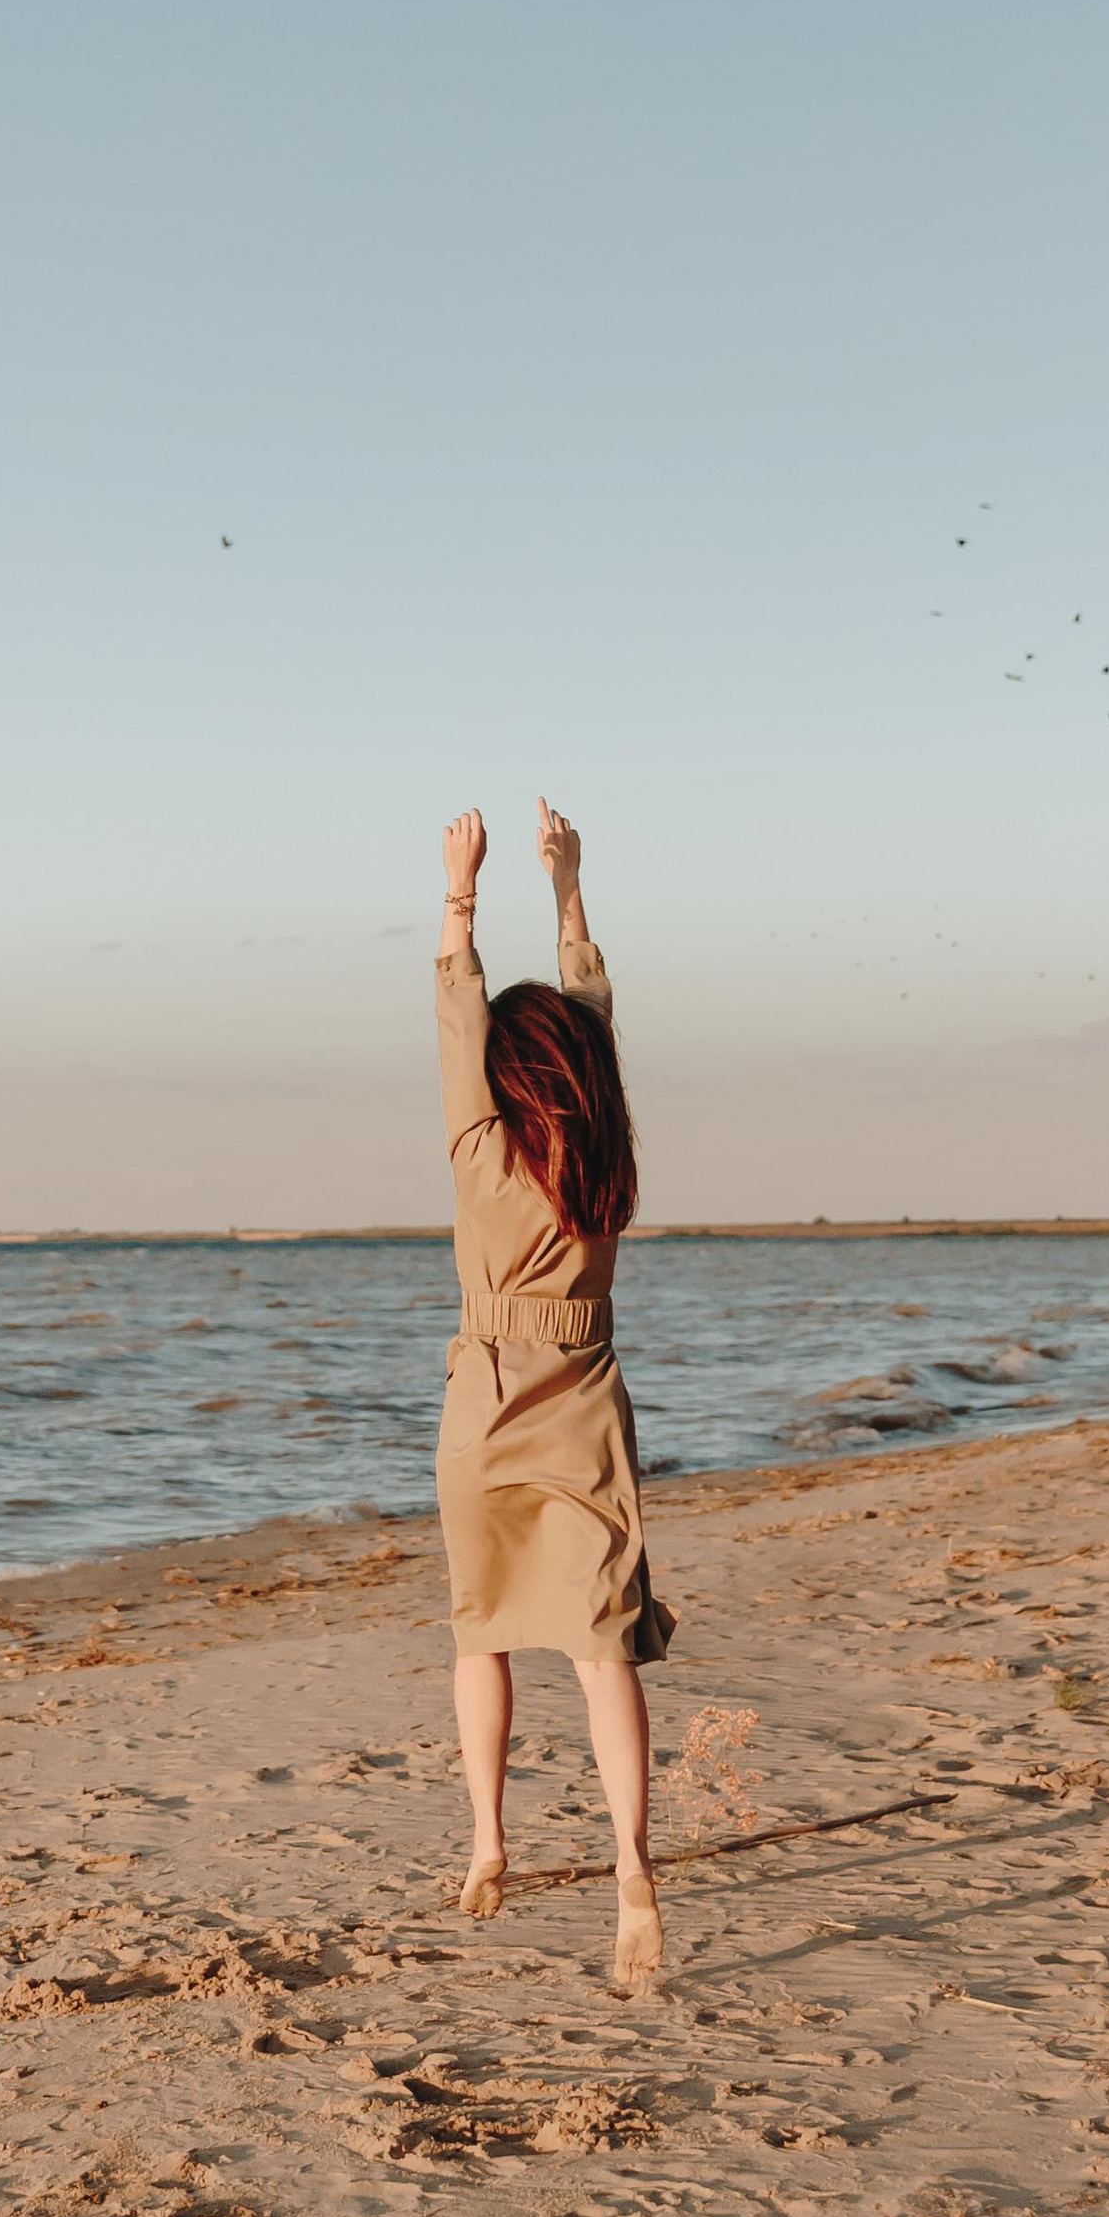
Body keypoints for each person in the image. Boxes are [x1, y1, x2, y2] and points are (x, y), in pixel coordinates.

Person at [435, 799, 674, 1992]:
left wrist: (461, 894)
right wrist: (568, 887)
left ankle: (488, 1842)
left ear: (498, 1072)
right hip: (581, 1397)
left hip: (483, 1403)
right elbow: (593, 1018)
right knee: (600, 1652)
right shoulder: (604, 1154)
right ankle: (632, 1872)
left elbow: (452, 1012)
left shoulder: (479, 1147)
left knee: (484, 1634)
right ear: (581, 1073)